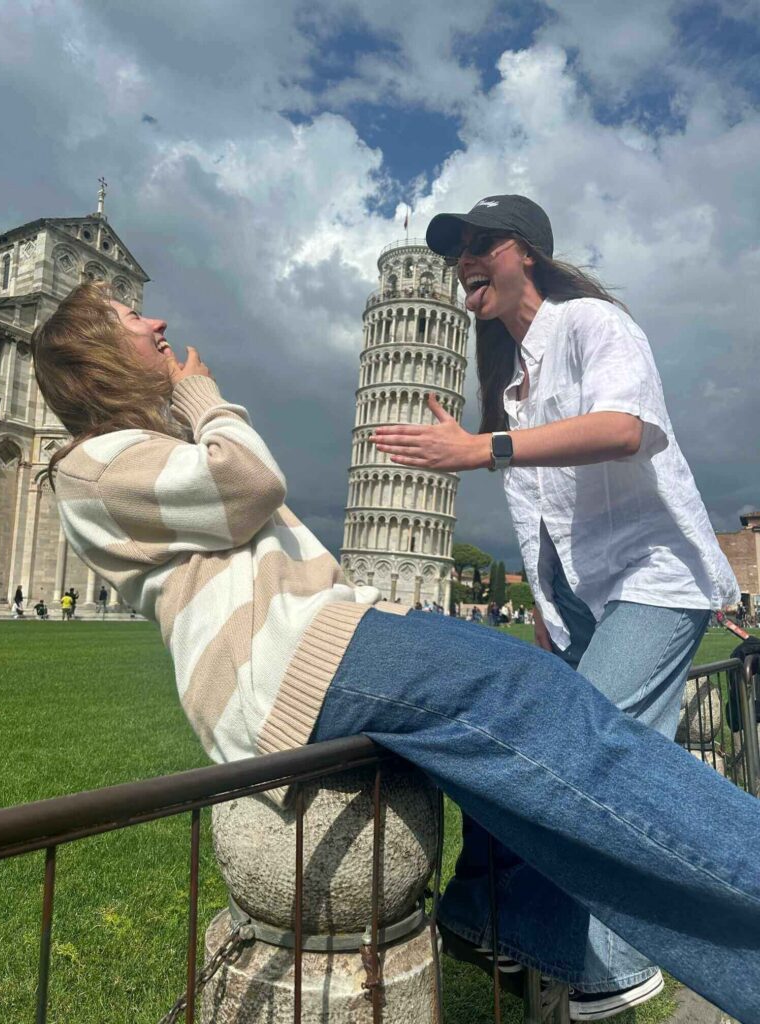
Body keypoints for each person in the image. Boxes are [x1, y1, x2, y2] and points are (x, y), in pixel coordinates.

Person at [29, 282, 760, 1023]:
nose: (156, 320)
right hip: (296, 664)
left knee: (531, 730)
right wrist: (202, 395)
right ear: (94, 357)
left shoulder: (142, 453)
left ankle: (499, 915)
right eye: (130, 319)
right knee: (550, 712)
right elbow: (246, 480)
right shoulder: (91, 464)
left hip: (330, 643)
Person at [371, 194, 741, 1015]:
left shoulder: (592, 327)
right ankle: (494, 921)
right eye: (454, 251)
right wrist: (545, 612)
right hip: (582, 602)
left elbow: (624, 428)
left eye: (477, 245)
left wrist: (480, 449)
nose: (463, 261)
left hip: (656, 578)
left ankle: (610, 964)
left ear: (524, 252)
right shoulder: (514, 384)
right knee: (560, 749)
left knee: (582, 760)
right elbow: (547, 517)